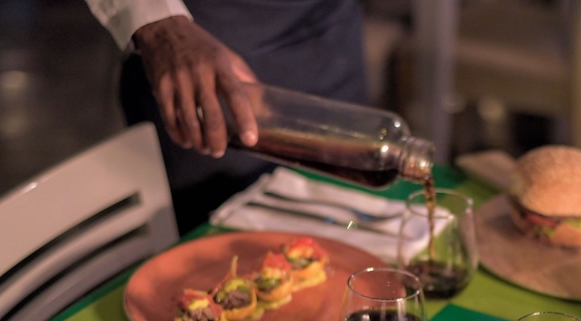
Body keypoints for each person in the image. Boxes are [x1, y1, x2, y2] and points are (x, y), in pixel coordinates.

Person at [86, 0, 369, 233]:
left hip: (331, 32)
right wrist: (160, 25)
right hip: (207, 46)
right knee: (217, 248)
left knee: (345, 224)